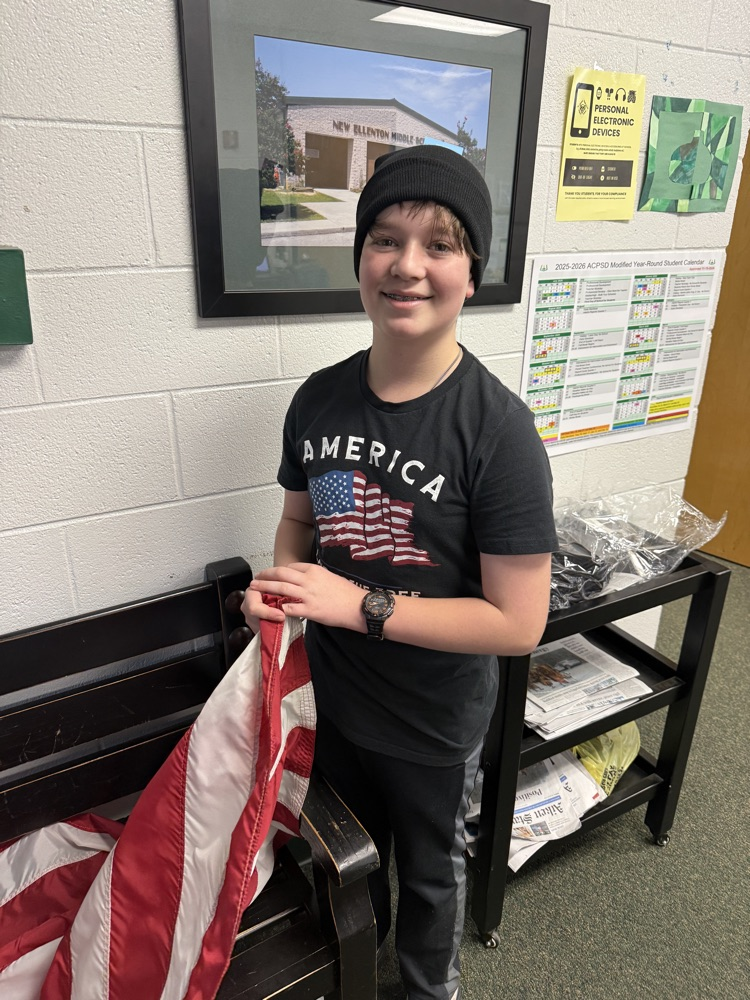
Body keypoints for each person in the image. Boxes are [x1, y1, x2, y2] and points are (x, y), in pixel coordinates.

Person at [241, 144, 557, 1000]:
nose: (407, 266)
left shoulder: (498, 432)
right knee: (348, 871)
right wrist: (285, 593)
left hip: (433, 726)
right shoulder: (317, 399)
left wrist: (356, 603)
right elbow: (299, 525)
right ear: (360, 259)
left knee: (429, 883)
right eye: (385, 239)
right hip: (336, 703)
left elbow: (517, 623)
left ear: (471, 269)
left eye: (439, 244)